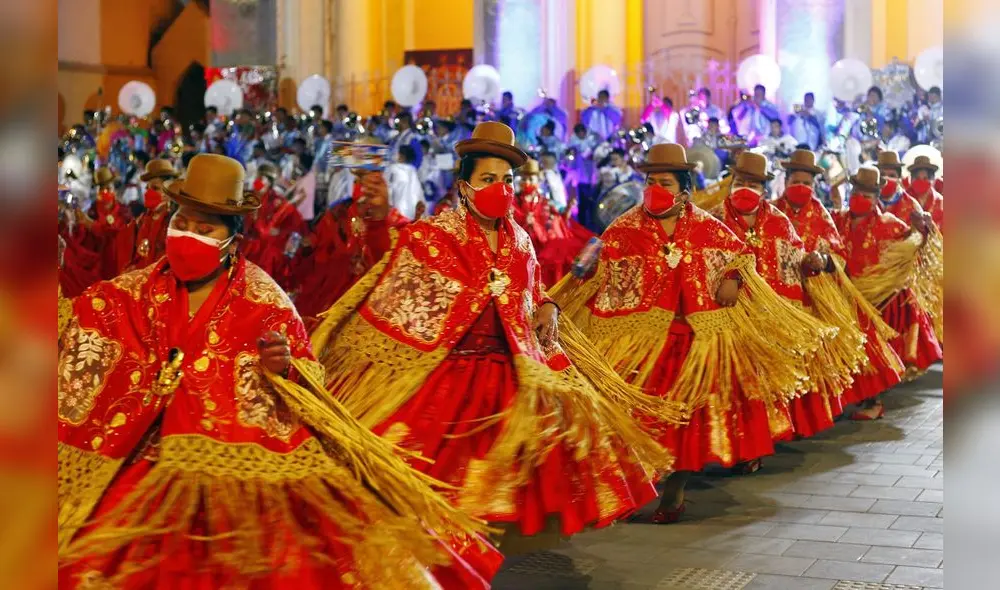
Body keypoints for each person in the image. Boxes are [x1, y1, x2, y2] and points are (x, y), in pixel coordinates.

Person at [58, 153, 497, 589]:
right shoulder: (135, 289)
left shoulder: (263, 299)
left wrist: (283, 368)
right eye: (182, 223)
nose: (188, 235)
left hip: (229, 455)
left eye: (205, 229)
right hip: (138, 451)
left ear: (233, 240)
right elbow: (85, 317)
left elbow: (306, 376)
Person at [311, 121, 676, 556]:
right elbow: (394, 259)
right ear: (463, 187)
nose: (500, 189)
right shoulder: (436, 234)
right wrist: (377, 217)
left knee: (501, 495)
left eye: (507, 180)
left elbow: (532, 289)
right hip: (448, 379)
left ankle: (472, 564)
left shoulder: (519, 238)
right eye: (488, 178)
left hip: (511, 373)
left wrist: (548, 306)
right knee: (437, 490)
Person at [551, 144, 826, 523]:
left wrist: (732, 278)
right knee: (636, 416)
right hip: (639, 342)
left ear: (683, 190)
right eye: (650, 182)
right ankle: (635, 485)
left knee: (685, 423)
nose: (654, 190)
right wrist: (572, 282)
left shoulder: (705, 226)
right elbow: (595, 261)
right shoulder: (625, 227)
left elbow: (740, 256)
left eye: (664, 183)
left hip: (692, 342)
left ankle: (674, 491)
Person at [716, 151, 858, 439]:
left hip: (773, 316)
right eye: (740, 182)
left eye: (753, 184)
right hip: (728, 315)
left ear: (763, 188)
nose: (746, 189)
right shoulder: (715, 218)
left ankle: (764, 436)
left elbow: (812, 260)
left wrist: (816, 262)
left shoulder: (780, 221)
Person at [773, 150, 905, 421]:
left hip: (817, 296)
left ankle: (864, 400)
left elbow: (838, 255)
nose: (801, 187)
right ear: (785, 182)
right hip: (777, 299)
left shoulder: (821, 215)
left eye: (807, 183)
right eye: (796, 182)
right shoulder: (771, 212)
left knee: (853, 339)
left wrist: (823, 261)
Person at [832, 165, 942, 387]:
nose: (860, 199)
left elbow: (913, 244)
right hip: (843, 297)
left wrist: (921, 230)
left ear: (876, 200)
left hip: (877, 301)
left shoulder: (889, 224)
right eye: (856, 194)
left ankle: (874, 395)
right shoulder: (837, 220)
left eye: (866, 196)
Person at [128, 158, 180, 271]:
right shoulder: (143, 219)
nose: (148, 192)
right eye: (147, 188)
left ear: (169, 191)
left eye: (155, 188)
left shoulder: (175, 222)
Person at [904, 155, 944, 233]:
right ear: (911, 180)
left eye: (925, 178)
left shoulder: (941, 202)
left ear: (933, 181)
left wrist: (932, 227)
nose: (921, 182)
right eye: (917, 178)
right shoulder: (904, 199)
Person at [385, 144, 425, 220]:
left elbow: (388, 189)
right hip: (413, 212)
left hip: (398, 212)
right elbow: (419, 193)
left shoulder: (393, 168)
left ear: (401, 156)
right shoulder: (413, 170)